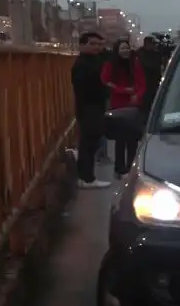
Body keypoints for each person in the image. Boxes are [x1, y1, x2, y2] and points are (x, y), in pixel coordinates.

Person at [101, 39, 148, 177]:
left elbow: (142, 83)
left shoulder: (135, 63)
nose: (125, 51)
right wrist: (124, 91)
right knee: (120, 139)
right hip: (118, 106)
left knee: (133, 139)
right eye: (122, 48)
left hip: (133, 106)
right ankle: (120, 169)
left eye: (127, 48)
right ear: (117, 50)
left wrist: (137, 95)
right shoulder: (110, 65)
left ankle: (131, 168)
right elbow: (106, 82)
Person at [71, 31, 110, 189]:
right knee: (89, 141)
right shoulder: (82, 64)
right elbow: (86, 87)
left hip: (95, 106)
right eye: (92, 44)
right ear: (82, 45)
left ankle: (86, 176)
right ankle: (86, 178)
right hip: (88, 107)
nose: (96, 47)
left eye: (98, 44)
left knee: (92, 141)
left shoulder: (95, 60)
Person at [137, 35, 168, 116]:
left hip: (155, 84)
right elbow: (150, 66)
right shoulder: (141, 54)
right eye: (153, 44)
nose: (154, 46)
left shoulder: (156, 53)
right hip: (145, 85)